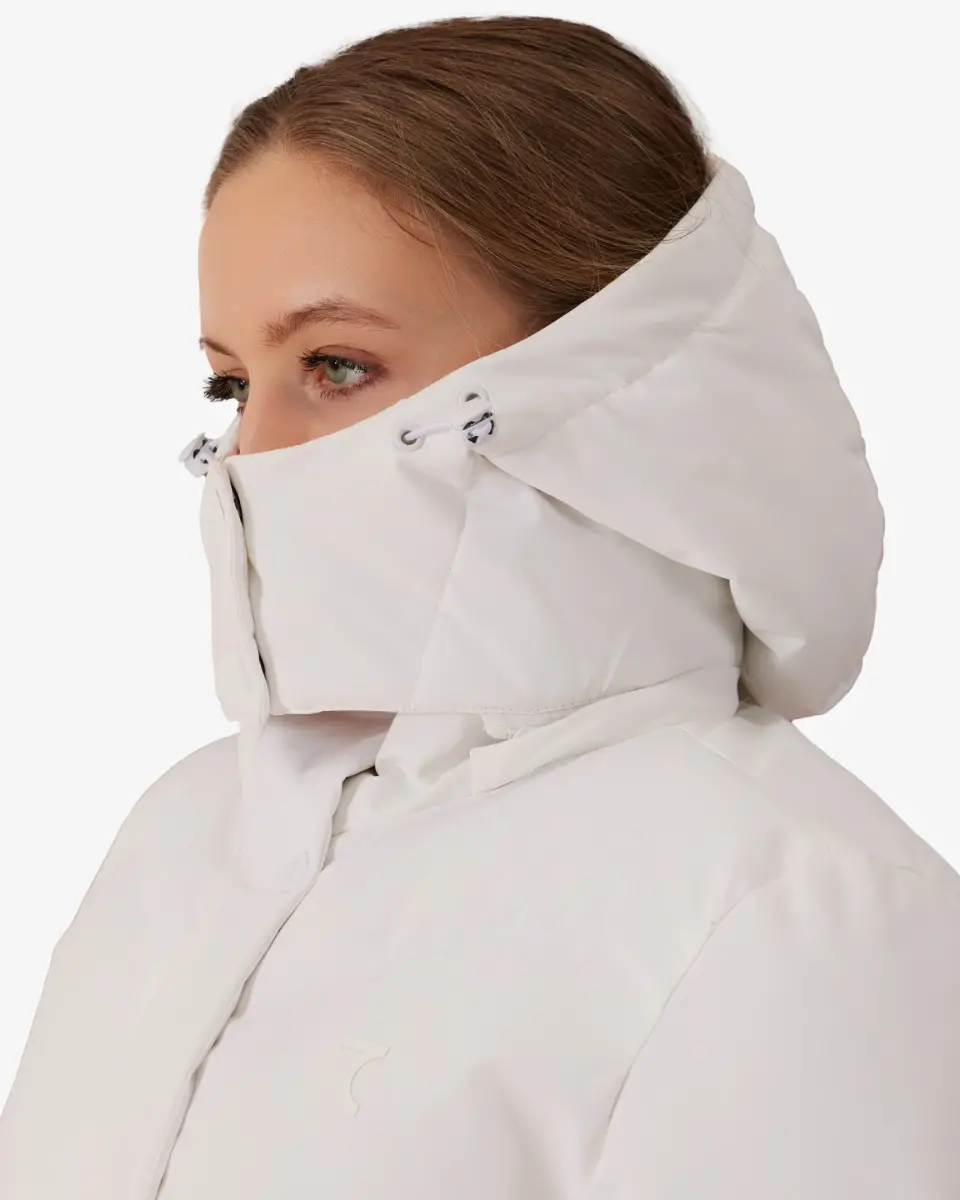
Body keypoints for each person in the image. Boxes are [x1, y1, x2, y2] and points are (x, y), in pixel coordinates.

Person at [2, 14, 958, 1200]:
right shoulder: (188, 830)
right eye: (232, 384)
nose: (254, 455)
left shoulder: (793, 907)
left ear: (613, 388)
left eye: (336, 365)